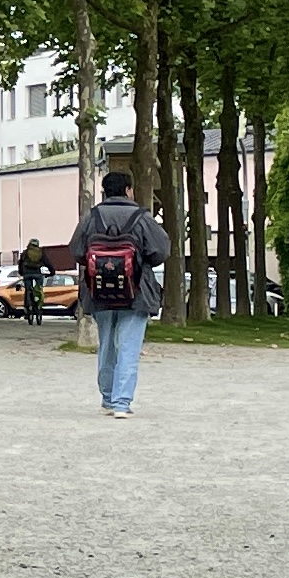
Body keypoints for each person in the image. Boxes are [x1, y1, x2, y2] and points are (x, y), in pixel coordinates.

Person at [71, 172, 174, 417]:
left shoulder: (92, 217)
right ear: (128, 190)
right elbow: (161, 250)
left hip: (99, 293)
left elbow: (76, 250)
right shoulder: (141, 217)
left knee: (106, 344)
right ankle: (121, 403)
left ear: (104, 191)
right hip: (136, 292)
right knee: (128, 346)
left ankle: (107, 398)